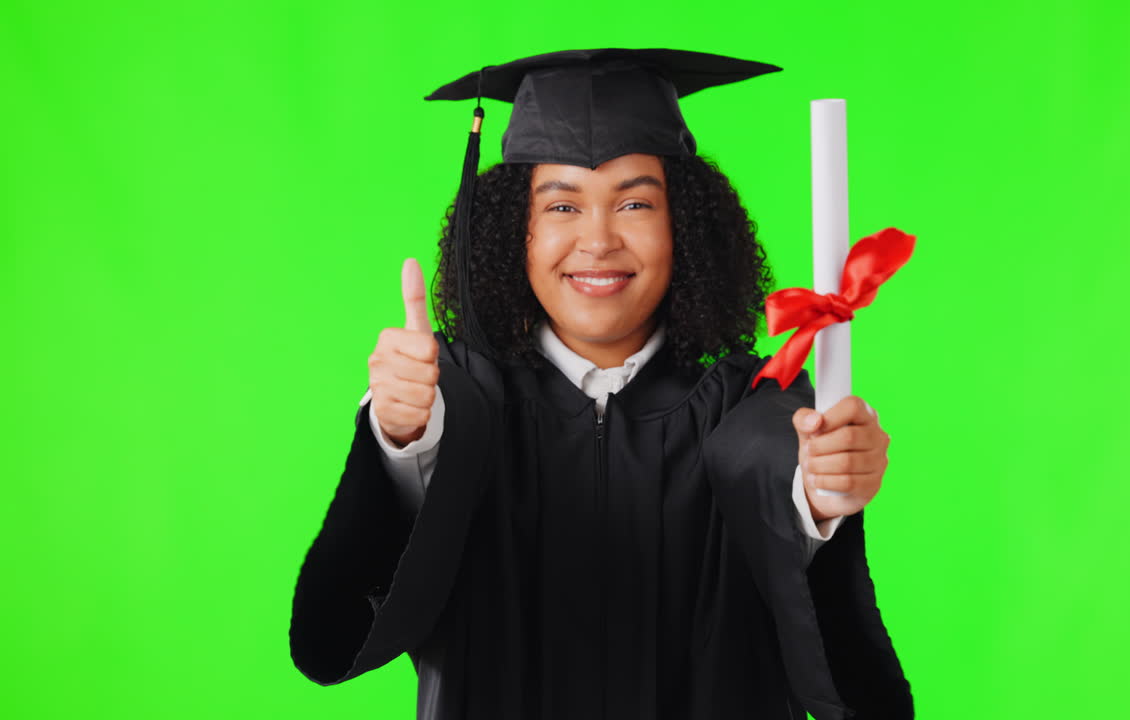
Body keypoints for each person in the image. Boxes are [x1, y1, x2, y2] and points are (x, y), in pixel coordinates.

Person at [290, 49, 913, 720]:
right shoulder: (461, 398)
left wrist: (820, 490)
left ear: (686, 225)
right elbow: (435, 454)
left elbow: (765, 456)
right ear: (511, 231)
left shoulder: (745, 400)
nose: (598, 240)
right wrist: (401, 430)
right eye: (561, 205)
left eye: (636, 201)